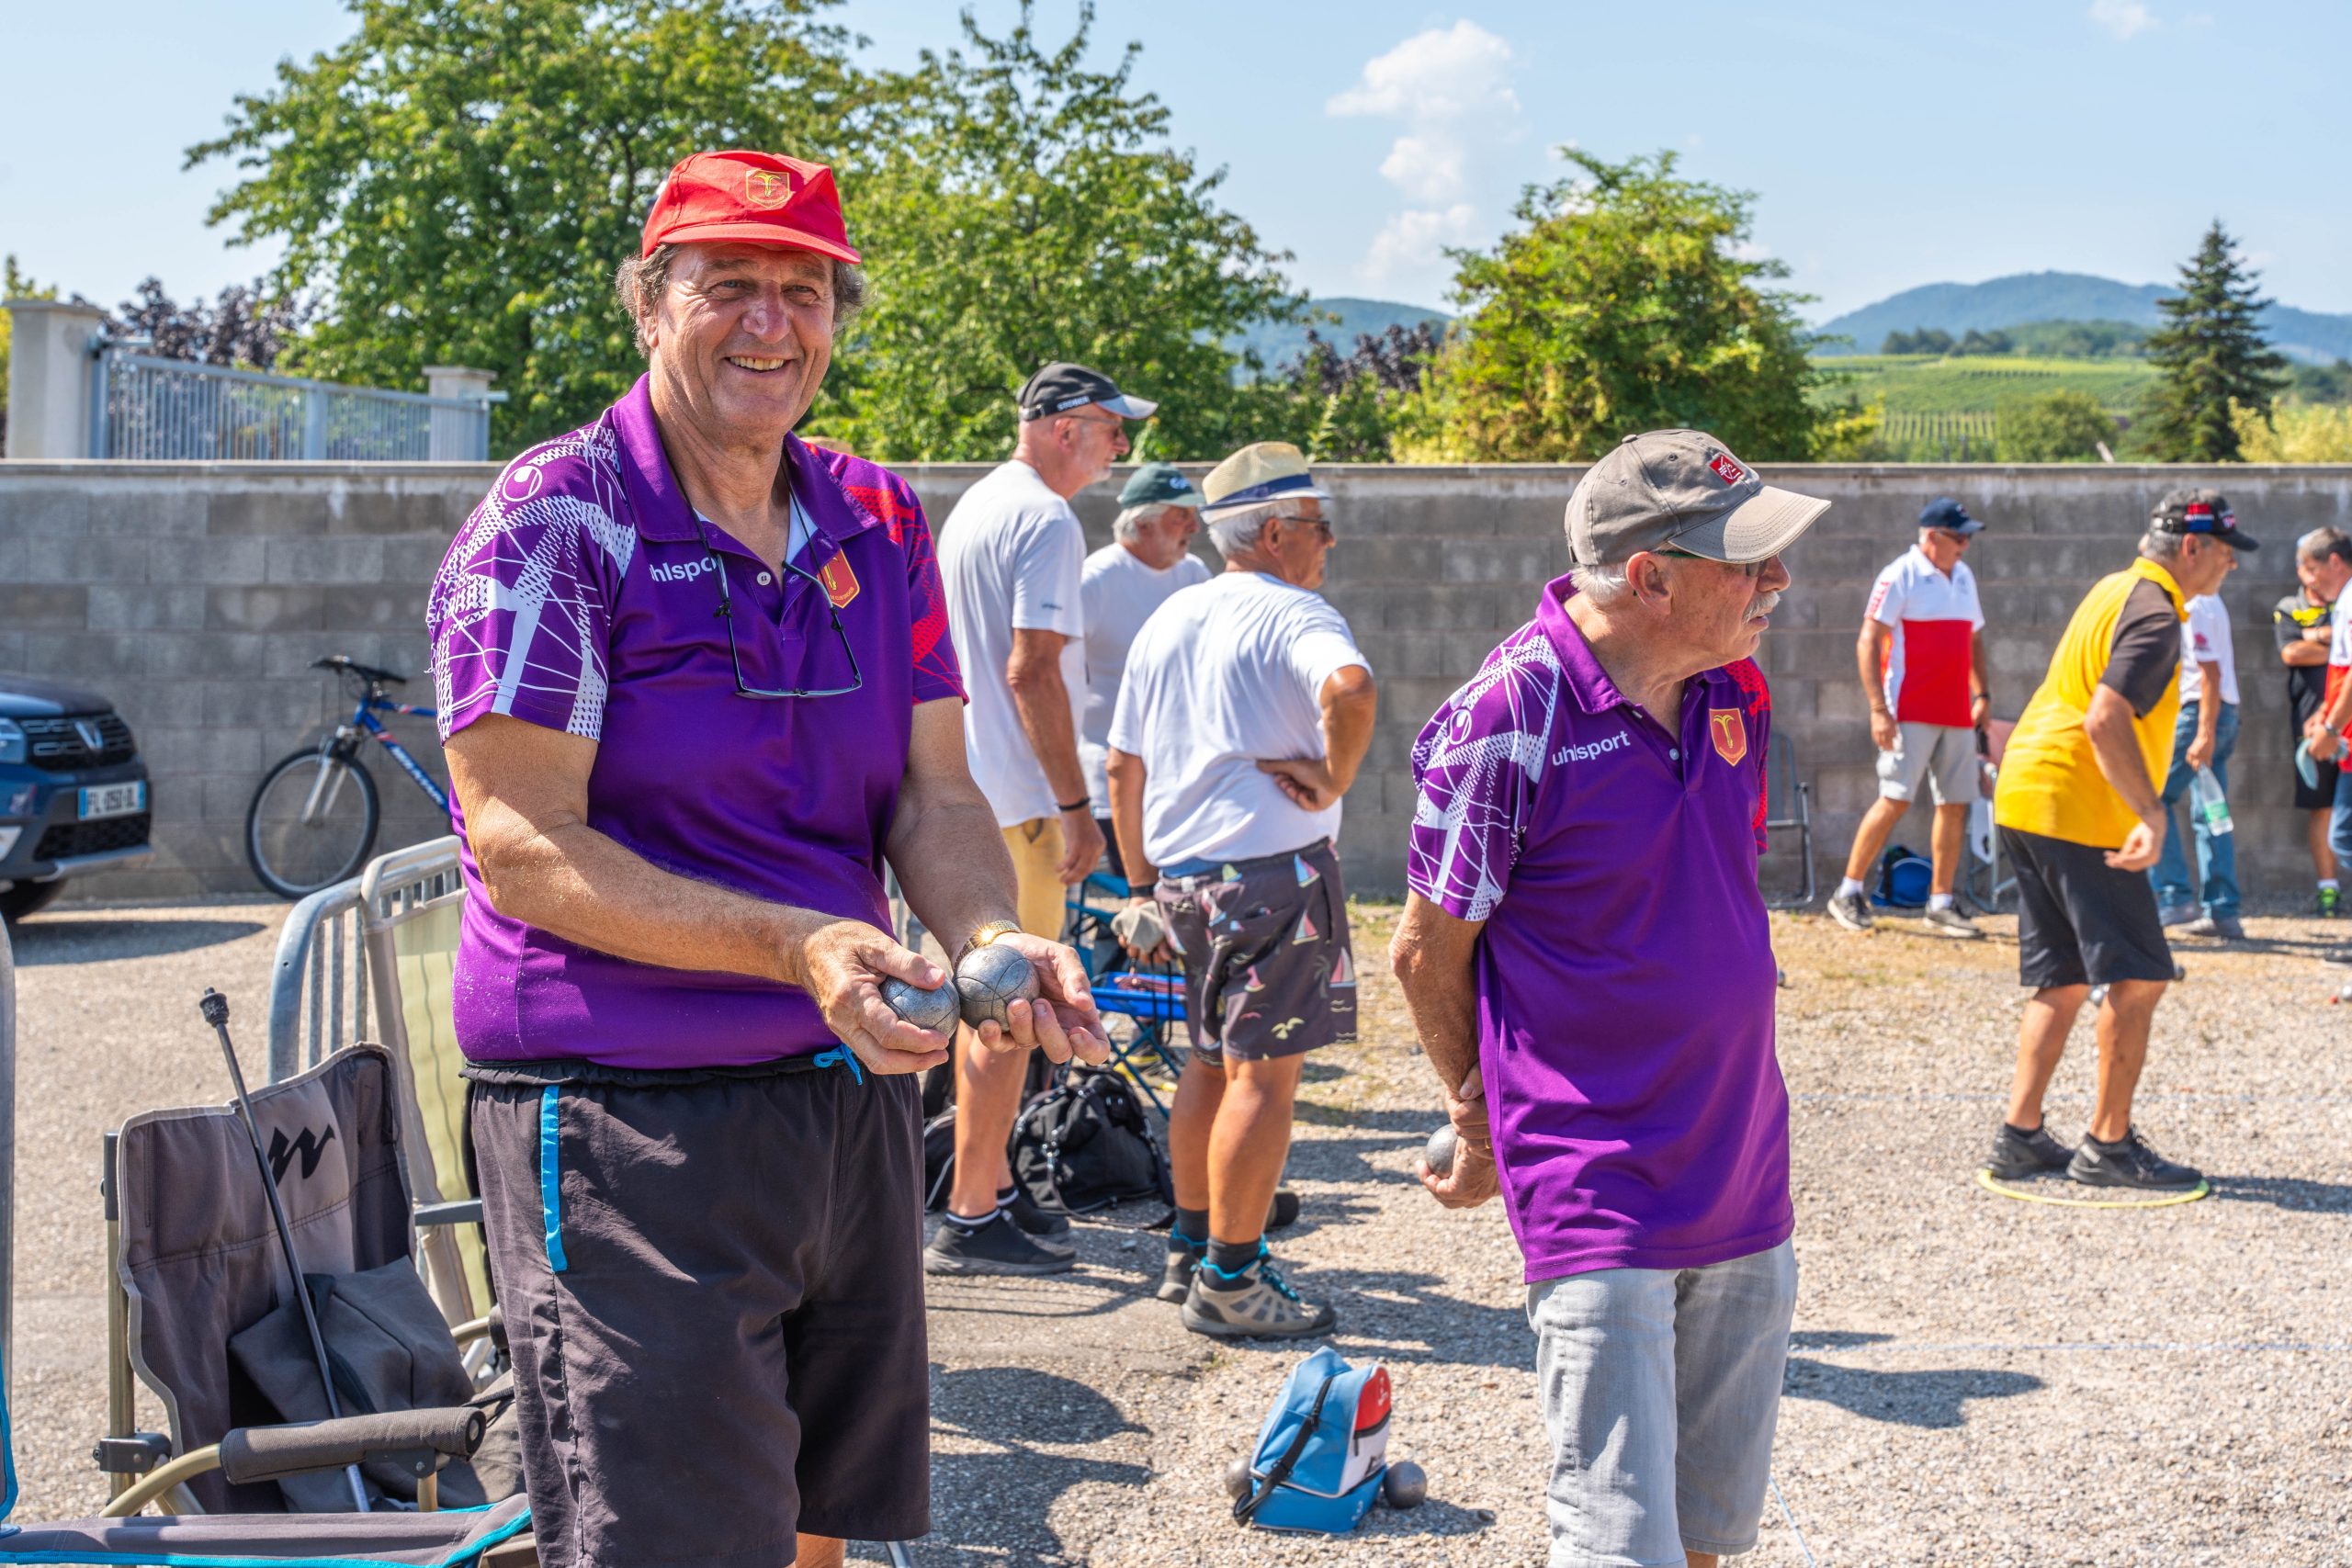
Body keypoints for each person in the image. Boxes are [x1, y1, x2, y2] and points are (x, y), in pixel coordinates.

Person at [426, 150, 1104, 1568]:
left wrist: (986, 940)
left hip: (842, 1096)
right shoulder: (561, 516)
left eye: (804, 291)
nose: (770, 323)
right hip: (625, 1122)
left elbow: (930, 788)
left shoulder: (879, 515)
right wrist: (794, 945)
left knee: (815, 1525)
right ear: (649, 306)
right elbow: (523, 844)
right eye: (726, 285)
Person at [1391, 430, 1825, 1568]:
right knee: (1617, 1536)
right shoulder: (1505, 720)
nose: (1776, 579)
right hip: (1594, 1178)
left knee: (1709, 1528)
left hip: (1740, 1162)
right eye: (1749, 559)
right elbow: (1425, 953)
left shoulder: (1733, 687)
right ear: (1651, 576)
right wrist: (1478, 1121)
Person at [1105, 441, 1375, 1339]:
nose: (1328, 543)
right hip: (1274, 877)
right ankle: (1231, 1278)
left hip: (1184, 882)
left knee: (1207, 1062)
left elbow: (1122, 765)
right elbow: (1352, 689)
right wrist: (1335, 779)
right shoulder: (1296, 613)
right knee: (1264, 1077)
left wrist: (1140, 879)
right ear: (1272, 532)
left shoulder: (1172, 617)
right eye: (1316, 526)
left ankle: (1191, 1245)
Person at [930, 359, 1155, 1275]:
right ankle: (972, 1211)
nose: (1121, 450)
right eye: (1113, 430)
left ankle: (987, 1187)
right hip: (1017, 801)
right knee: (1008, 1013)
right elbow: (1030, 671)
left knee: (987, 1008)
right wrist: (1075, 806)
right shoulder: (1045, 519)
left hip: (970, 793)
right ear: (1068, 426)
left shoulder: (981, 505)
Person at [1986, 488, 2250, 1192]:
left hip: (2025, 793)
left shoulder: (2115, 587)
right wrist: (2152, 812)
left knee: (2063, 977)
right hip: (2075, 804)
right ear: (2190, 548)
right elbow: (2105, 717)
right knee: (2140, 977)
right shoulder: (2159, 614)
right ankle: (2107, 1144)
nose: (2230, 564)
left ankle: (2019, 1135)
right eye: (2226, 551)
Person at [1827, 496, 1990, 937]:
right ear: (1933, 537)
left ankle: (1940, 901)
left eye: (1967, 537)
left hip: (1956, 711)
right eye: (1959, 537)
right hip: (1909, 709)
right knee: (1895, 797)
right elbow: (1868, 640)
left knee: (1955, 804)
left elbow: (1974, 638)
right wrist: (1879, 709)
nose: (1965, 546)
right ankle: (1848, 890)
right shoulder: (1899, 573)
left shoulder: (1964, 576)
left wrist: (1983, 693)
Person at [1079, 461, 1211, 879]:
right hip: (1112, 774)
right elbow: (1055, 672)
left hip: (1181, 774)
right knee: (1143, 893)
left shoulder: (1195, 574)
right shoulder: (1096, 579)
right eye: (1182, 516)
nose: (1195, 526)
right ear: (1145, 523)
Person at [2152, 558, 2243, 939]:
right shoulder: (2209, 602)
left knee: (2152, 798)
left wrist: (2203, 732)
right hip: (2220, 713)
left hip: (2200, 714)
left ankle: (2174, 898)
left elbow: (2210, 672)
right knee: (2211, 812)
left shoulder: (2196, 605)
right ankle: (2222, 911)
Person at [2278, 527, 2352, 916]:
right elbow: (2299, 654)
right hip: (2339, 733)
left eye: (2311, 567)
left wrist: (2330, 726)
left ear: (2334, 562)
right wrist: (2325, 715)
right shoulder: (2338, 603)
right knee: (2337, 829)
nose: (2307, 577)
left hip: (2342, 735)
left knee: (2343, 835)